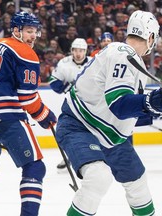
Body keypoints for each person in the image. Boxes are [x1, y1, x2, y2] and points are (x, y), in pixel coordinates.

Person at [55, 10, 159, 215]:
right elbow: (119, 105)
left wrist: (155, 110)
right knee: (98, 178)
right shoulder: (122, 53)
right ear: (151, 36)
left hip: (111, 137)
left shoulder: (130, 60)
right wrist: (154, 101)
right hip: (80, 126)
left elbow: (127, 112)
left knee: (138, 183)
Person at [0, 11, 57, 216]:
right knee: (35, 168)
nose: (34, 36)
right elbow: (27, 98)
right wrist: (45, 115)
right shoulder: (25, 52)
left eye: (36, 31)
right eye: (29, 31)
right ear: (16, 30)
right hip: (7, 115)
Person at [49, 38, 92, 172]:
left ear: (86, 51)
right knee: (67, 131)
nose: (78, 54)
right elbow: (53, 82)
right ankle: (68, 156)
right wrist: (67, 88)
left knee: (93, 131)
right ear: (71, 51)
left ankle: (95, 158)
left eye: (81, 50)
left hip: (91, 104)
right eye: (76, 50)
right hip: (71, 105)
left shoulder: (94, 63)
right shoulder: (64, 63)